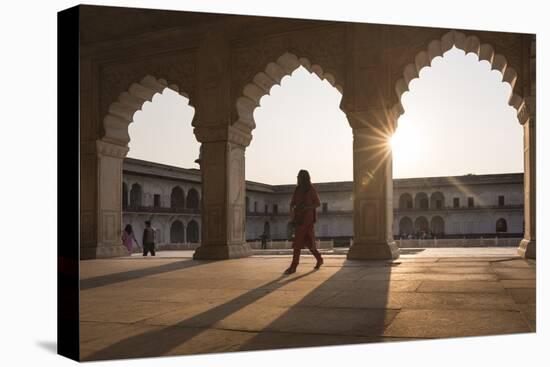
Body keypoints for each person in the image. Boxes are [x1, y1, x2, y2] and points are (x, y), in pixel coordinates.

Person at [284, 169, 324, 274]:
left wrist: (306, 207)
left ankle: (294, 266)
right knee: (308, 243)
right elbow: (292, 203)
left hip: (307, 220)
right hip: (299, 219)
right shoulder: (297, 189)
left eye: (299, 176)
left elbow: (318, 203)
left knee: (299, 243)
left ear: (304, 178)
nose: (297, 178)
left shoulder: (310, 189)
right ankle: (319, 259)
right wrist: (292, 213)